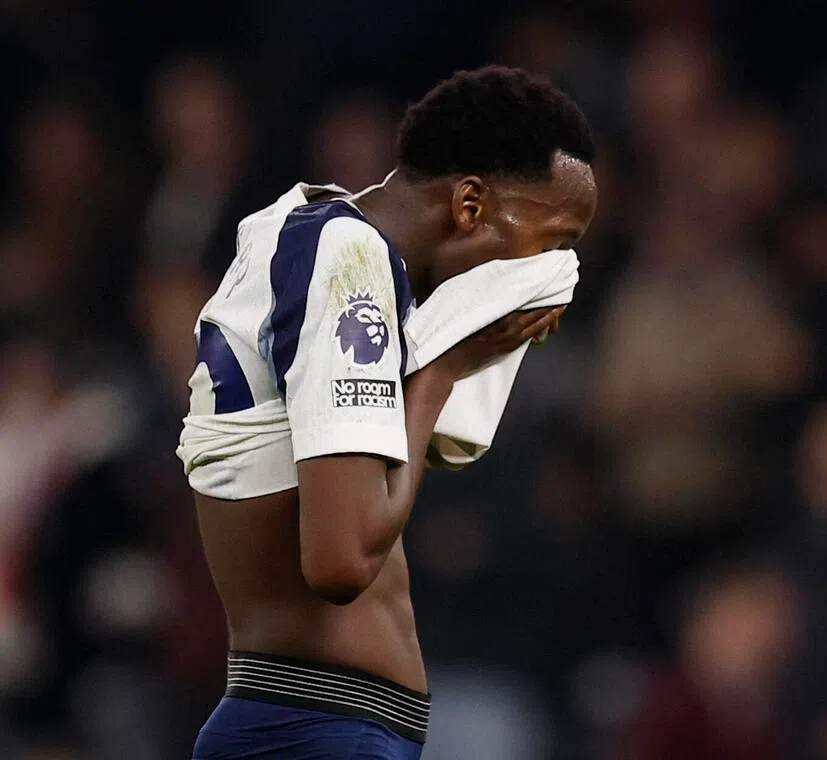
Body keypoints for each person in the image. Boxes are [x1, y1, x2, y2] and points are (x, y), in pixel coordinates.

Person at [176, 66, 597, 760]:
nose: (554, 273)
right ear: (469, 205)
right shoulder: (348, 263)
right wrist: (440, 371)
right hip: (316, 728)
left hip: (309, 722)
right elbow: (340, 561)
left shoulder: (313, 237)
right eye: (553, 242)